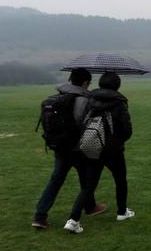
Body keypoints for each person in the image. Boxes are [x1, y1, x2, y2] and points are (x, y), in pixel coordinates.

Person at [32, 68, 106, 229]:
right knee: (86, 178)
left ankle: (40, 216)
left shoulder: (58, 96)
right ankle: (89, 207)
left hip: (59, 146)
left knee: (56, 180)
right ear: (85, 83)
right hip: (76, 147)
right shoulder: (83, 100)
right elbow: (84, 124)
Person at [64, 72, 134, 234]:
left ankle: (73, 219)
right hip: (113, 150)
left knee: (89, 185)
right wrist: (117, 141)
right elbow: (127, 130)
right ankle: (122, 212)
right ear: (117, 85)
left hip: (92, 146)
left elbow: (83, 121)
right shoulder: (119, 102)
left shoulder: (90, 99)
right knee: (120, 179)